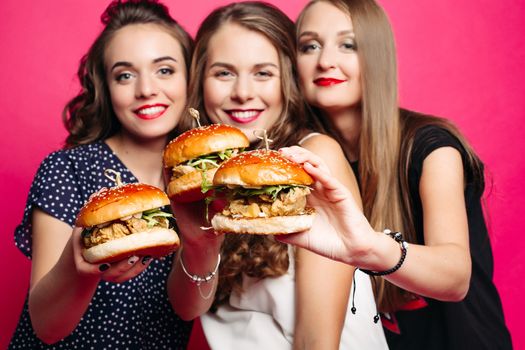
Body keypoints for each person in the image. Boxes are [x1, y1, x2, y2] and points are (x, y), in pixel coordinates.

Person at [281, 0, 513, 349]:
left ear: (377, 56)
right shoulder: (307, 157)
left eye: (348, 44)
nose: (325, 60)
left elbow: (455, 277)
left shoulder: (432, 148)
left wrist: (370, 248)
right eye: (309, 46)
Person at [166, 2, 388, 349]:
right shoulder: (201, 174)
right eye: (224, 73)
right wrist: (200, 245)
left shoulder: (312, 159)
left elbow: (317, 340)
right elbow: (187, 308)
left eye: (263, 73)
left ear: (289, 80)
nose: (242, 92)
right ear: (200, 81)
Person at [9, 1, 193, 348]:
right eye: (125, 75)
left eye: (165, 70)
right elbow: (46, 327)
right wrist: (79, 268)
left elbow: (188, 310)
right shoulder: (67, 169)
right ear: (106, 88)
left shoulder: (198, 184)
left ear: (189, 76)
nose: (146, 89)